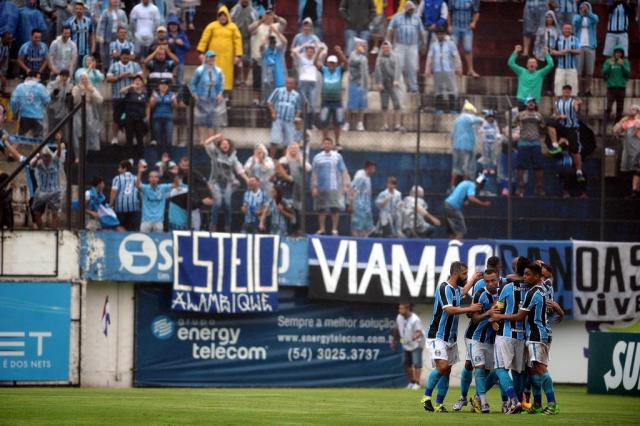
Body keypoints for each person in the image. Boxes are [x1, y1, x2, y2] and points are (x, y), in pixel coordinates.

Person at [490, 263, 560, 415]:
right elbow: (554, 306)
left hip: (536, 335)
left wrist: (497, 316)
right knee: (532, 371)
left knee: (540, 369)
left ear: (536, 276)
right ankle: (536, 404)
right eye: (524, 274)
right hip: (536, 334)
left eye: (528, 274)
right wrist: (560, 314)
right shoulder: (544, 290)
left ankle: (552, 404)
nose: (525, 277)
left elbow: (519, 316)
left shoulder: (532, 292)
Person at [421, 261, 482, 413]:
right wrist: (470, 308)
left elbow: (462, 292)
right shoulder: (444, 288)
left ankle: (439, 404)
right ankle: (426, 397)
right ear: (455, 273)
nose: (465, 277)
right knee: (442, 367)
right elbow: (449, 310)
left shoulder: (456, 290)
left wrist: (473, 279)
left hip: (451, 338)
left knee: (446, 371)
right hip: (438, 336)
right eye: (464, 274)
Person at [202, 133, 249, 232]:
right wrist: (216, 137)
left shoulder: (233, 158)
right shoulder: (214, 153)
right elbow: (206, 143)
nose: (225, 145)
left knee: (227, 203)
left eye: (227, 143)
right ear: (219, 146)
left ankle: (228, 225)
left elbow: (239, 169)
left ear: (229, 146)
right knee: (218, 202)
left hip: (228, 183)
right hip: (215, 182)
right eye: (223, 143)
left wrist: (247, 179)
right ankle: (213, 224)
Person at [197, 5, 242, 94]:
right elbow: (204, 39)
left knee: (226, 78)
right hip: (213, 57)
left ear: (228, 16)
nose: (223, 17)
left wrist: (238, 55)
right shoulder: (212, 26)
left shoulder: (233, 27)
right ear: (218, 16)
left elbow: (238, 41)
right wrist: (201, 52)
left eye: (224, 15)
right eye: (221, 16)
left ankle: (226, 99)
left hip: (228, 58)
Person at [311, 137, 350, 235]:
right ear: (322, 145)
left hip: (334, 186)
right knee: (321, 209)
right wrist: (314, 186)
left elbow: (343, 171)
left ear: (332, 145)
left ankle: (334, 229)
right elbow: (314, 173)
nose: (327, 145)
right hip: (321, 187)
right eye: (325, 143)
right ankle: (322, 229)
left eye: (329, 143)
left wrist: (345, 185)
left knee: (335, 209)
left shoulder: (337, 156)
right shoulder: (317, 157)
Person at [106, 48, 142, 145]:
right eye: (123, 55)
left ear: (130, 56)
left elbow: (143, 79)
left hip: (133, 97)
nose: (125, 57)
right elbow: (108, 78)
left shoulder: (136, 65)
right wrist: (120, 77)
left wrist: (132, 76)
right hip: (118, 96)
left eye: (127, 55)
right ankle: (115, 138)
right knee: (116, 118)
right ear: (120, 56)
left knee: (133, 118)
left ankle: (133, 137)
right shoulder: (114, 65)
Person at [548, 84, 584, 182]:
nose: (567, 92)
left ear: (571, 92)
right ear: (562, 91)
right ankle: (555, 144)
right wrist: (559, 116)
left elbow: (576, 109)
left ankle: (579, 171)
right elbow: (554, 115)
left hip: (572, 127)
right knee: (550, 124)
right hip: (561, 126)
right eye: (565, 90)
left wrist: (578, 105)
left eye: (569, 90)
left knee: (575, 150)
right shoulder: (557, 102)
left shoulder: (573, 102)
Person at [29, 134, 66, 229]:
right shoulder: (39, 163)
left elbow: (58, 153)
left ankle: (53, 232)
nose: (46, 159)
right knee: (35, 211)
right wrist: (38, 157)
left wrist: (58, 141)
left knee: (56, 212)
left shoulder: (54, 161)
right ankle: (41, 230)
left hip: (54, 191)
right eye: (44, 157)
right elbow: (32, 165)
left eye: (48, 157)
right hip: (42, 191)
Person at [387, 1, 424, 93]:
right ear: (405, 8)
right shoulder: (397, 17)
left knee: (412, 66)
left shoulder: (417, 18)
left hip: (413, 46)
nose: (411, 11)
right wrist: (388, 43)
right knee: (398, 66)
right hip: (400, 45)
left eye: (413, 10)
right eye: (410, 9)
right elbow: (390, 30)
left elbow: (421, 32)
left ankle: (413, 87)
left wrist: (423, 44)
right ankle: (397, 85)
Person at [190, 50, 226, 144]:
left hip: (213, 98)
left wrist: (220, 93)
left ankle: (210, 140)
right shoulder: (200, 70)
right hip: (202, 97)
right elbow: (193, 83)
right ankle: (201, 139)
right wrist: (194, 93)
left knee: (211, 121)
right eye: (210, 57)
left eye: (213, 57)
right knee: (201, 119)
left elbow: (221, 84)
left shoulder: (218, 71)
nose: (212, 59)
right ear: (206, 58)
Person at [248, 9, 287, 96]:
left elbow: (284, 23)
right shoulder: (259, 26)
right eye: (267, 14)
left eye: (270, 15)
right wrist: (261, 20)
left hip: (275, 58)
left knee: (274, 81)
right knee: (259, 81)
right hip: (260, 57)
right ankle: (257, 100)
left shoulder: (276, 26)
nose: (269, 16)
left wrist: (276, 17)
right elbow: (250, 29)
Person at [317, 46, 348, 148]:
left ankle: (337, 142)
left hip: (337, 101)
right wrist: (318, 52)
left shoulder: (339, 70)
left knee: (337, 123)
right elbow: (315, 64)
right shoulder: (324, 70)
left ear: (335, 64)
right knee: (324, 122)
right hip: (326, 100)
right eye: (330, 62)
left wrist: (340, 52)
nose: (331, 64)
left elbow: (345, 63)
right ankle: (325, 142)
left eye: (333, 63)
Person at [425, 26, 461, 115]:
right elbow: (429, 57)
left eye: (442, 34)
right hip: (437, 70)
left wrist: (459, 67)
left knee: (452, 88)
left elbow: (456, 56)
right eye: (438, 34)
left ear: (445, 34)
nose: (440, 35)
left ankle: (453, 109)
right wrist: (427, 69)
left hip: (448, 69)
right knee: (438, 89)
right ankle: (439, 109)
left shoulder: (450, 43)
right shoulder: (433, 44)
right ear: (436, 35)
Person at [444, 174, 490, 240]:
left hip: (446, 204)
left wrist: (465, 200)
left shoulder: (467, 183)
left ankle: (451, 247)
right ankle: (457, 246)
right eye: (483, 184)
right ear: (480, 183)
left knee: (453, 231)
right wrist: (483, 204)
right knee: (461, 230)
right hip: (452, 207)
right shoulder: (472, 186)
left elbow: (460, 194)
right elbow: (471, 198)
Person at [515, 97, 546, 196]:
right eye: (529, 102)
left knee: (539, 166)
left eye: (533, 102)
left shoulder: (539, 115)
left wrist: (542, 128)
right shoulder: (520, 115)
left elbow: (543, 127)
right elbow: (513, 125)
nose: (531, 103)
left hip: (535, 142)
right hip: (523, 142)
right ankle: (521, 187)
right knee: (521, 166)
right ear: (526, 104)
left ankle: (539, 187)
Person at [508, 44, 554, 109]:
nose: (532, 64)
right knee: (521, 118)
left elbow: (551, 65)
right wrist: (515, 52)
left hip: (534, 101)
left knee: (533, 118)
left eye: (533, 63)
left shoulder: (540, 73)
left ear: (536, 65)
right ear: (527, 65)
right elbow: (511, 63)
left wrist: (546, 54)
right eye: (530, 63)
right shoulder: (521, 71)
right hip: (522, 100)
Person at [390, 304, 424, 390]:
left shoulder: (415, 319)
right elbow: (397, 329)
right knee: (406, 364)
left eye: (401, 309)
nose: (399, 310)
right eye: (399, 308)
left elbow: (419, 332)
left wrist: (415, 336)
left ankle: (417, 383)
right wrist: (394, 340)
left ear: (407, 309)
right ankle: (412, 382)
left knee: (417, 363)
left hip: (417, 343)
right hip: (406, 344)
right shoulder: (399, 317)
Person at [278, 143, 311, 232]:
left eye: (295, 148)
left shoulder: (301, 159)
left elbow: (308, 168)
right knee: (288, 206)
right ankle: (287, 228)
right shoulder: (283, 160)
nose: (293, 150)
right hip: (287, 188)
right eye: (291, 148)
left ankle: (297, 228)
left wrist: (300, 160)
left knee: (297, 208)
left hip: (298, 188)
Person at [450, 101, 483, 189]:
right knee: (467, 168)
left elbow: (452, 135)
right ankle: (465, 188)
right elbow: (479, 120)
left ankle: (452, 187)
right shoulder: (467, 117)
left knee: (456, 168)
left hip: (457, 147)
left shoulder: (457, 120)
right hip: (466, 147)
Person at [267, 77, 303, 154]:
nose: (288, 85)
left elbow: (299, 109)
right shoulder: (278, 91)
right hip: (278, 119)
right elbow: (269, 102)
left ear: (294, 85)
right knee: (274, 141)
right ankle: (271, 159)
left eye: (291, 83)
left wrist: (296, 118)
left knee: (288, 143)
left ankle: (286, 160)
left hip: (290, 121)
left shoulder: (297, 95)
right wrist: (273, 112)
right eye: (287, 83)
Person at [135, 161, 173, 232]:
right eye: (151, 177)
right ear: (148, 179)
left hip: (158, 221)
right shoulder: (145, 188)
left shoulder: (163, 188)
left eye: (155, 177)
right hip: (146, 221)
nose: (153, 178)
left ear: (158, 179)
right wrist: (140, 172)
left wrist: (174, 174)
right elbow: (137, 185)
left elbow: (175, 185)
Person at [374, 41, 404, 131]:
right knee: (384, 105)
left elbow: (398, 69)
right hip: (384, 84)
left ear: (391, 48)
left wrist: (396, 80)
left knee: (397, 104)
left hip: (393, 83)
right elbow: (377, 70)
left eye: (388, 48)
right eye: (384, 48)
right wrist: (379, 82)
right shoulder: (379, 59)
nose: (386, 50)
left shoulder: (395, 57)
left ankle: (397, 124)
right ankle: (385, 125)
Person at [10, 71, 50, 137]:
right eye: (39, 77)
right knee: (38, 140)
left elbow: (13, 101)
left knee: (21, 138)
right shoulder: (40, 87)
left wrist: (15, 113)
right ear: (37, 76)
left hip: (24, 116)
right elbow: (47, 100)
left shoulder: (20, 87)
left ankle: (15, 147)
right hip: (38, 116)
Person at [292, 42, 322, 129]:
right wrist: (303, 45)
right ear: (306, 52)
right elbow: (294, 51)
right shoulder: (302, 59)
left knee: (312, 105)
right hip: (303, 83)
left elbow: (323, 51)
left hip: (312, 84)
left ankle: (312, 124)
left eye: (311, 51)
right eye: (308, 51)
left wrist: (317, 47)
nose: (309, 53)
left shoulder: (315, 60)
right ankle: (301, 124)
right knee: (302, 104)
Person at [72, 72, 104, 154]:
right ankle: (77, 155)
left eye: (85, 79)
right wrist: (79, 90)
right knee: (77, 133)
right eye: (82, 79)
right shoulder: (75, 88)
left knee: (88, 133)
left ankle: (85, 153)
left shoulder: (91, 88)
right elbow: (73, 101)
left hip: (89, 112)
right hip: (77, 112)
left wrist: (92, 91)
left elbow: (100, 100)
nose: (84, 80)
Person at [613, 106, 640, 199]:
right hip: (628, 151)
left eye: (633, 109)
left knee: (637, 170)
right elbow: (616, 130)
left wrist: (636, 119)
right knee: (626, 170)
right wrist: (621, 122)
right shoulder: (627, 122)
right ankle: (632, 192)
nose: (631, 111)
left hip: (637, 150)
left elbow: (637, 125)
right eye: (630, 109)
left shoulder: (638, 121)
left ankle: (635, 191)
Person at [119, 74, 149, 160]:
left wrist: (147, 117)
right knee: (129, 138)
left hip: (140, 118)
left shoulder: (145, 93)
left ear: (142, 83)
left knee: (140, 138)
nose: (137, 82)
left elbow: (147, 106)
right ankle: (130, 158)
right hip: (129, 118)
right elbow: (121, 91)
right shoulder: (129, 92)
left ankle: (141, 158)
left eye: (139, 80)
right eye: (136, 80)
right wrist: (130, 86)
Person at [230, 0, 258, 86]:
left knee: (247, 61)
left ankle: (244, 80)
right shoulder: (234, 9)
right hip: (236, 39)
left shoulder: (253, 11)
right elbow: (230, 22)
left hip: (248, 39)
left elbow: (256, 25)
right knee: (235, 61)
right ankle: (235, 79)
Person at [448, 0, 480, 77]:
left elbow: (476, 12)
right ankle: (452, 69)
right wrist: (449, 25)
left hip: (467, 28)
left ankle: (470, 70)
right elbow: (449, 12)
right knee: (452, 48)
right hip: (455, 27)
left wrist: (474, 22)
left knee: (468, 48)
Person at [343, 37, 368, 132]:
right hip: (353, 83)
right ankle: (347, 123)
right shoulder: (353, 55)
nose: (364, 48)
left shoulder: (364, 58)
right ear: (357, 46)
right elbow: (354, 62)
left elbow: (365, 72)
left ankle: (360, 123)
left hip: (363, 84)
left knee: (362, 105)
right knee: (350, 105)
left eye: (365, 46)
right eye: (362, 46)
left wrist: (366, 85)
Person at [572, 2, 598, 97]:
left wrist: (588, 13)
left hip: (590, 46)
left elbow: (595, 20)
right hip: (579, 46)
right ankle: (578, 90)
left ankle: (587, 90)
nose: (584, 9)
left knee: (589, 71)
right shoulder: (577, 17)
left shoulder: (592, 16)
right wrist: (582, 14)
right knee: (578, 71)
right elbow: (575, 23)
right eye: (583, 7)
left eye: (586, 7)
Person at [96, 0, 128, 72]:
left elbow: (125, 24)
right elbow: (102, 25)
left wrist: (122, 25)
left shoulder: (122, 12)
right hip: (108, 36)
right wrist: (101, 36)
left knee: (119, 53)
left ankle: (118, 70)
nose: (115, 1)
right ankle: (107, 71)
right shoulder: (106, 12)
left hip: (118, 36)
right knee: (107, 55)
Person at [109, 159, 140, 231]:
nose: (118, 169)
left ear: (125, 168)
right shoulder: (135, 178)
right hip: (134, 208)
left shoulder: (117, 178)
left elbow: (114, 191)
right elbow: (139, 192)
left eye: (119, 167)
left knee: (120, 228)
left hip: (120, 208)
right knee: (132, 230)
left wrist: (110, 204)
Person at [603, 45, 630, 125]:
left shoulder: (625, 61)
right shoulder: (608, 61)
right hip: (611, 88)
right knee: (608, 107)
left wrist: (622, 66)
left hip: (621, 88)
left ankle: (617, 125)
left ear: (622, 53)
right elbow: (604, 73)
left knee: (620, 108)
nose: (618, 54)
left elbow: (627, 74)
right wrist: (610, 65)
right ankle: (605, 123)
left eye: (620, 52)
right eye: (617, 52)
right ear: (614, 53)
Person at [149, 79, 177, 157]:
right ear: (159, 86)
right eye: (162, 84)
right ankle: (159, 158)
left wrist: (174, 100)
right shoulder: (155, 94)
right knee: (159, 140)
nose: (163, 86)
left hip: (168, 118)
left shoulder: (171, 94)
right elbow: (151, 106)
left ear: (168, 86)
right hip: (157, 118)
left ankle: (169, 158)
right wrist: (153, 99)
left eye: (165, 84)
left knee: (168, 140)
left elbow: (175, 106)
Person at [166, 16, 190, 99]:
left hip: (180, 61)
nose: (173, 26)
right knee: (169, 80)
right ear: (168, 26)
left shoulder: (182, 35)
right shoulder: (166, 35)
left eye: (175, 24)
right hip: (169, 62)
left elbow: (188, 47)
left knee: (179, 81)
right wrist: (167, 42)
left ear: (178, 26)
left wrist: (182, 43)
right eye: (171, 24)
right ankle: (169, 98)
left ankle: (179, 99)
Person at [551, 23, 579, 96]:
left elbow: (579, 51)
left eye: (569, 29)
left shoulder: (575, 39)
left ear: (571, 30)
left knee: (573, 91)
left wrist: (569, 50)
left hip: (572, 68)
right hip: (560, 68)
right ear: (562, 30)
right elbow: (552, 51)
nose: (567, 30)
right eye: (566, 28)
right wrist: (560, 53)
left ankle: (571, 106)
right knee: (558, 90)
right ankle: (558, 106)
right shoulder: (558, 39)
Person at [349, 160, 375, 237]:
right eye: (373, 168)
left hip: (366, 206)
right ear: (369, 168)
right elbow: (352, 189)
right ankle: (357, 241)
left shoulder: (368, 177)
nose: (374, 171)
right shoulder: (360, 176)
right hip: (358, 206)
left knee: (366, 227)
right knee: (357, 227)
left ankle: (363, 242)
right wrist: (351, 204)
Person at [65, 0, 94, 69]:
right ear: (74, 10)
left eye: (80, 9)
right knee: (73, 70)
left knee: (85, 71)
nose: (78, 10)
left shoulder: (88, 21)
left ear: (83, 10)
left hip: (86, 51)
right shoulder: (69, 22)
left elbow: (92, 34)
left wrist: (93, 47)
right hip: (74, 52)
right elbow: (65, 36)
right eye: (77, 9)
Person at [260, 31, 287, 105]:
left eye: (274, 42)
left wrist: (276, 31)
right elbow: (262, 45)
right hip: (268, 80)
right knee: (268, 100)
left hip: (279, 79)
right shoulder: (265, 52)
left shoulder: (279, 51)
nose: (272, 44)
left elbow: (285, 41)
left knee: (278, 100)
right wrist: (268, 34)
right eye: (271, 42)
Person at [46, 69, 73, 135]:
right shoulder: (52, 84)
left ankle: (61, 144)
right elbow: (49, 95)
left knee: (62, 130)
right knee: (51, 129)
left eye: (67, 76)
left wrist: (69, 95)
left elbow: (69, 98)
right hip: (52, 109)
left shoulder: (69, 85)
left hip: (63, 110)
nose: (65, 78)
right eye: (63, 76)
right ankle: (51, 144)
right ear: (60, 76)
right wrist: (58, 88)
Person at [479, 110, 501, 177]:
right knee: (486, 155)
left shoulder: (495, 124)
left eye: (492, 117)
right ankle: (485, 168)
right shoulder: (484, 123)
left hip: (492, 142)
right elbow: (480, 131)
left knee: (492, 156)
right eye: (489, 117)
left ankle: (492, 168)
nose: (491, 118)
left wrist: (498, 137)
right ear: (487, 117)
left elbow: (497, 131)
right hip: (485, 142)